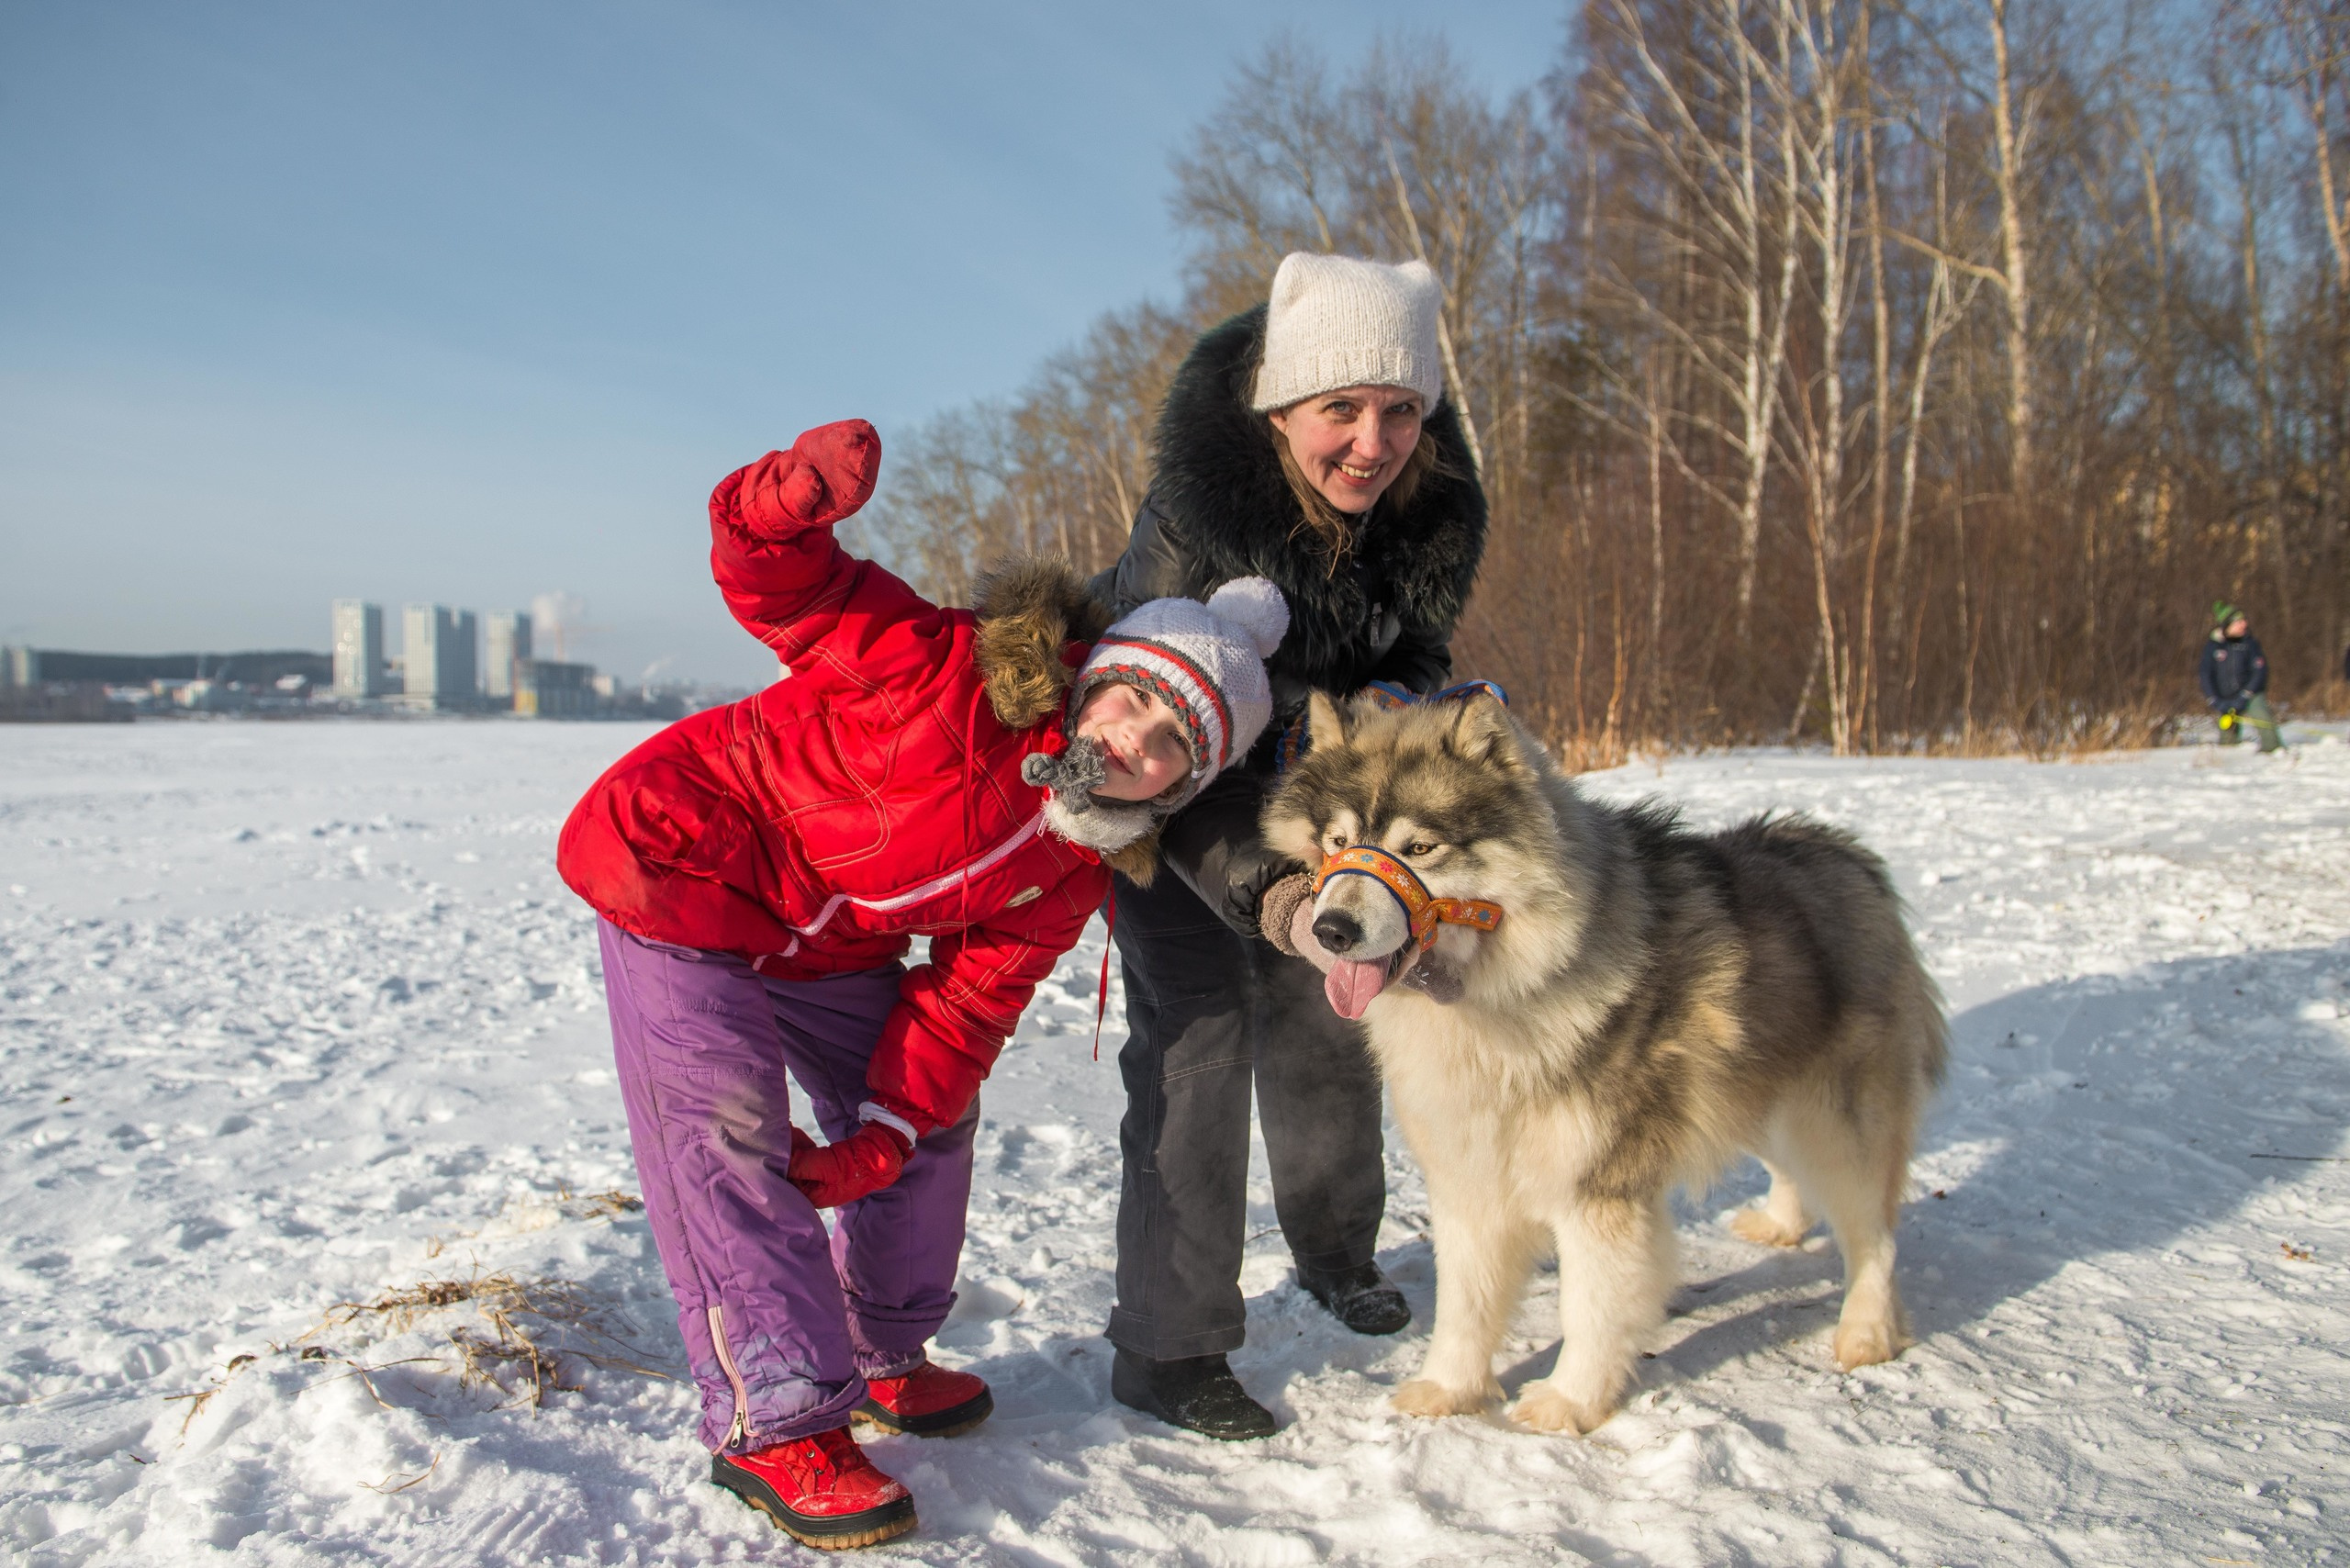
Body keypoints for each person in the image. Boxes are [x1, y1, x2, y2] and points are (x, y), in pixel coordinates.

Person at [556, 419, 1287, 1550]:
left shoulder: (1071, 870)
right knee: (730, 1133)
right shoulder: (943, 667)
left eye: (1169, 747)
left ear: (1183, 785)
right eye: (1131, 701)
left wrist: (883, 1133)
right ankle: (778, 1417)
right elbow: (788, 592)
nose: (1131, 740)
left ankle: (882, 1346)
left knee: (928, 1119)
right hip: (683, 865)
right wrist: (781, 503)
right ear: (1096, 675)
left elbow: (964, 1006)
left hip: (824, 939)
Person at [1092, 252, 1489, 1439]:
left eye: (1400, 411)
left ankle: (1336, 1251)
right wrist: (1268, 888)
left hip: (1323, 820)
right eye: (1341, 412)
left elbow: (1406, 657)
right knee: (1198, 1058)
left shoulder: (1421, 511)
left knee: (1333, 1024)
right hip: (1170, 811)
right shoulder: (1195, 525)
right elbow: (1152, 745)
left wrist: (1408, 732)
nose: (1373, 442)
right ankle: (1169, 1350)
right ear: (1279, 411)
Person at [2199, 600, 2282, 753]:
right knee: (2227, 736)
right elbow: (2205, 674)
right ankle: (2227, 760)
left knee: (2262, 715)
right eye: (2239, 622)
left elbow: (2259, 671)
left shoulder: (2250, 644)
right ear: (2228, 625)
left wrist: (2246, 694)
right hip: (2225, 698)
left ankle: (2273, 750)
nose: (2244, 624)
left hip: (2250, 694)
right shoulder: (2213, 646)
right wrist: (2214, 698)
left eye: (2243, 621)